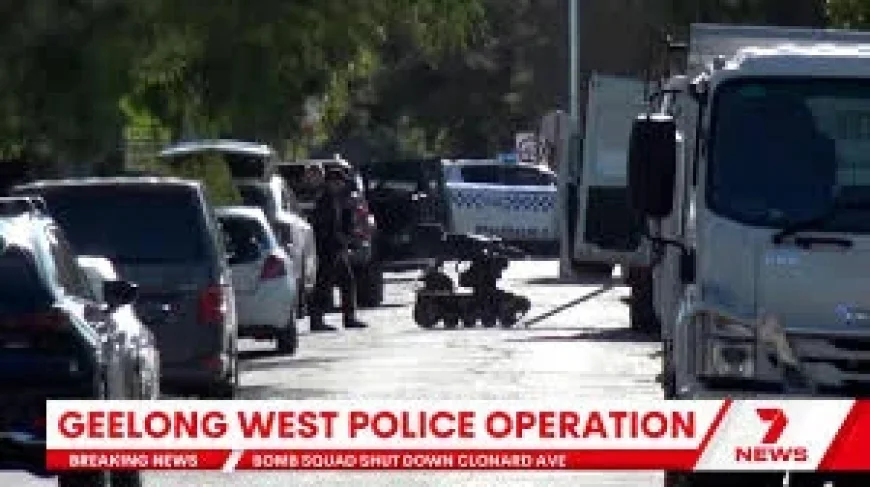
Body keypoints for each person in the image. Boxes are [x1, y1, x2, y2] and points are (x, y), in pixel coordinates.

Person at [308, 166, 368, 331]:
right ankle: (317, 320)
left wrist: (346, 238)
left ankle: (349, 318)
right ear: (332, 182)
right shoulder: (324, 199)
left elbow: (342, 222)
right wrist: (338, 240)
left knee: (346, 281)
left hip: (335, 247)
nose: (342, 185)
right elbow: (324, 225)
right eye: (339, 182)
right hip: (327, 248)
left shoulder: (335, 198)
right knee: (323, 283)